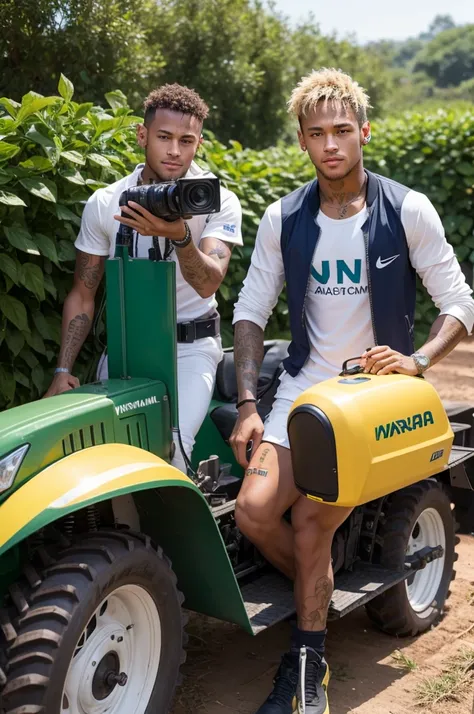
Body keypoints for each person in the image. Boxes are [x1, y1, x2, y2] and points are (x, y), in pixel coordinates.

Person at [230, 67, 474, 714]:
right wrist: (250, 402)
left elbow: (459, 302)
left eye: (342, 130)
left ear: (364, 131)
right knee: (254, 511)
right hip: (306, 391)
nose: (331, 143)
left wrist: (417, 359)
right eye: (317, 134)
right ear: (303, 141)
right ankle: (324, 579)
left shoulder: (407, 208)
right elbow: (251, 312)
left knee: (311, 521)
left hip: (371, 400)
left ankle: (308, 667)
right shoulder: (284, 219)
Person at [44, 83, 242, 472]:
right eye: (164, 137)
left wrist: (180, 236)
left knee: (169, 453)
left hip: (193, 347)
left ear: (198, 143)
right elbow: (83, 294)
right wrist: (63, 371)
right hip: (126, 349)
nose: (174, 151)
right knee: (104, 457)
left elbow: (208, 281)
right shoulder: (106, 202)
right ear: (142, 135)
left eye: (186, 140)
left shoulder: (216, 200)